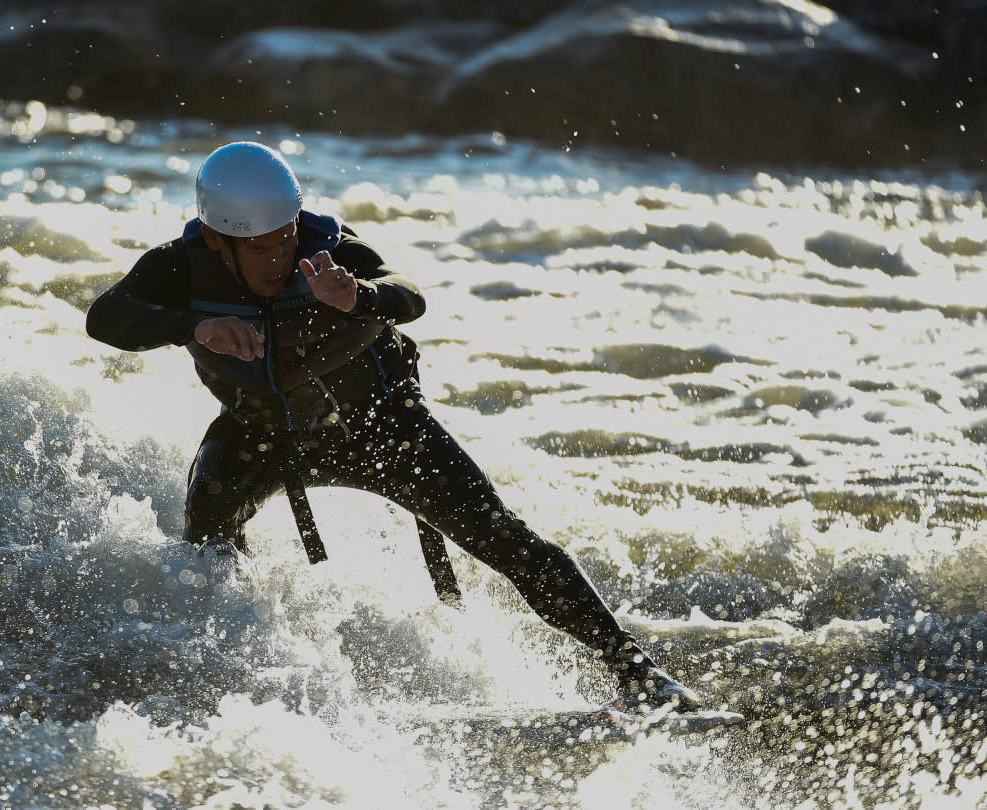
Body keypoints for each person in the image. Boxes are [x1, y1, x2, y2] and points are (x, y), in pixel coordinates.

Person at [85, 141, 702, 711]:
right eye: (259, 247)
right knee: (207, 534)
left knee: (499, 534)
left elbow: (407, 293)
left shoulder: (328, 250)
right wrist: (191, 327)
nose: (278, 257)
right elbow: (105, 318)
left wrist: (359, 298)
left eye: (284, 237)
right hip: (262, 434)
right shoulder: (180, 266)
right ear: (219, 242)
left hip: (381, 427)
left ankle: (636, 672)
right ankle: (229, 682)